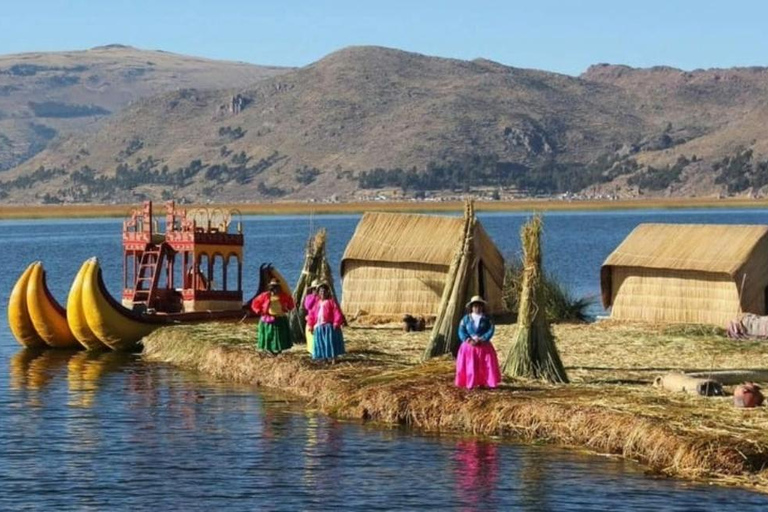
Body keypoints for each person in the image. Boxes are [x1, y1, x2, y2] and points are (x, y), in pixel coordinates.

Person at [455, 296, 501, 389]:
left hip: (484, 346)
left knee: (484, 365)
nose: (477, 308)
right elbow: (461, 330)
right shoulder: (466, 319)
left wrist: (482, 339)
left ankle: (483, 383)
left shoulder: (487, 319)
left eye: (479, 306)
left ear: (482, 307)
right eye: (475, 306)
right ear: (471, 307)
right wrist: (468, 340)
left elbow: (491, 330)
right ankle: (470, 383)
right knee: (470, 365)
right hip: (468, 347)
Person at [250, 278, 295, 354]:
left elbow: (291, 304)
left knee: (280, 336)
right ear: (271, 288)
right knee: (268, 335)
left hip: (280, 318)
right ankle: (269, 349)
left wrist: (289, 306)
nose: (276, 289)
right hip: (268, 319)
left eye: (277, 287)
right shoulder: (265, 295)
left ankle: (279, 350)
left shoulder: (283, 295)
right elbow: (255, 303)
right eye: (274, 287)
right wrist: (259, 311)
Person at [306, 283, 345, 361]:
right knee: (321, 343)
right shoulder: (317, 303)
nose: (322, 293)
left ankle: (333, 358)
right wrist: (310, 325)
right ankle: (324, 358)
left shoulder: (331, 302)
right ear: (318, 293)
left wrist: (336, 322)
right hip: (319, 326)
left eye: (324, 291)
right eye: (320, 291)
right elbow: (311, 315)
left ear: (327, 292)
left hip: (329, 326)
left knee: (330, 342)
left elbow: (336, 312)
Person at [303, 279, 321, 355]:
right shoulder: (309, 297)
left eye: (317, 289)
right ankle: (313, 352)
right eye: (314, 289)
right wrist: (314, 296)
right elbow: (307, 306)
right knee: (311, 337)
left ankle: (320, 352)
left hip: (320, 320)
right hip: (311, 320)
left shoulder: (322, 297)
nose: (316, 290)